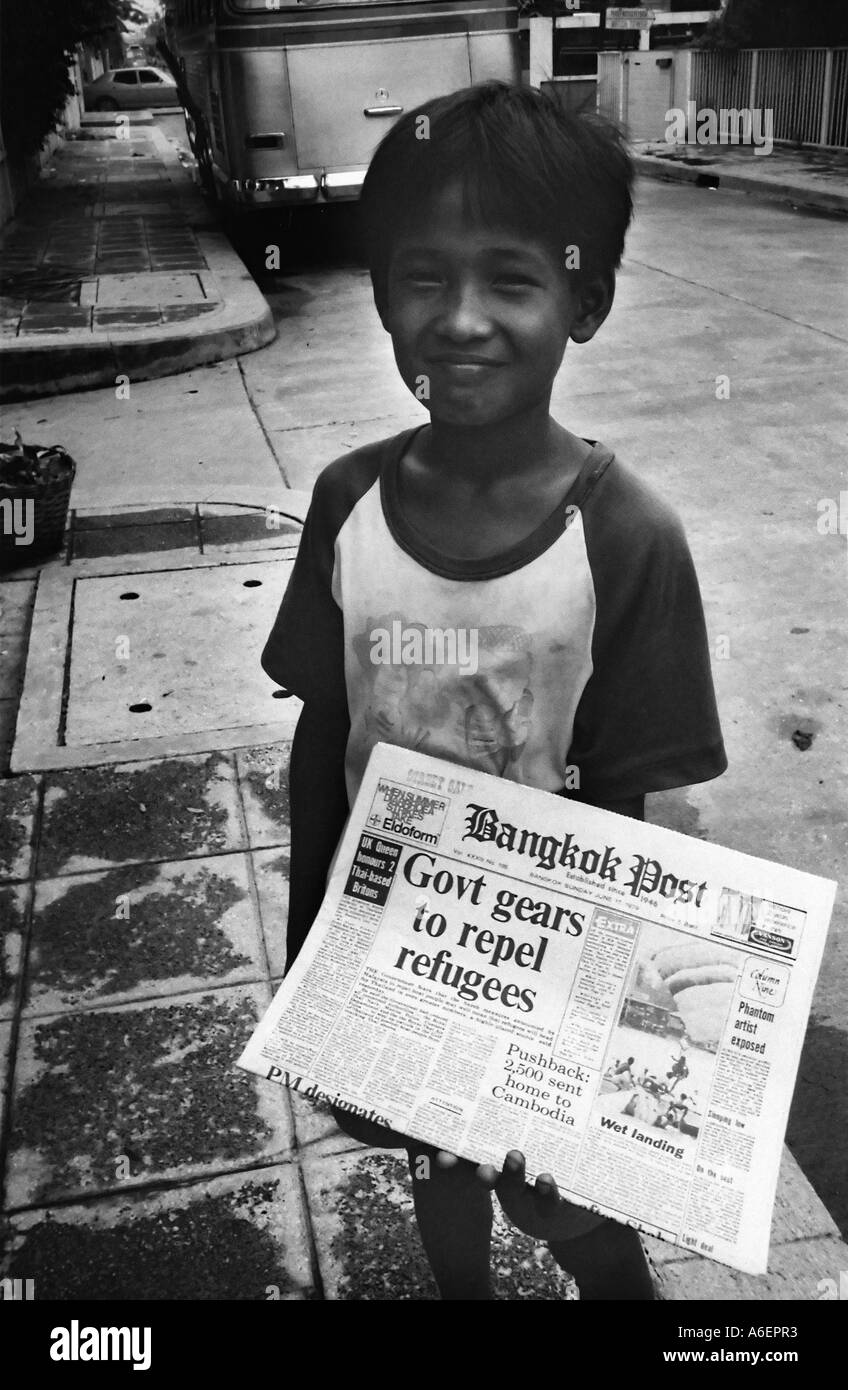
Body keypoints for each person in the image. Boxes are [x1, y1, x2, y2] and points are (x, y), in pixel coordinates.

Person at [261, 81, 727, 1300]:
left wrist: (603, 1033)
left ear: (585, 299)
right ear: (379, 294)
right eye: (422, 277)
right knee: (432, 1163)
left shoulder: (625, 536)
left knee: (563, 1200)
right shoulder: (344, 503)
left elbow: (627, 802)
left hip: (552, 962)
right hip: (389, 945)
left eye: (511, 280)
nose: (459, 320)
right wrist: (313, 941)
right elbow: (324, 735)